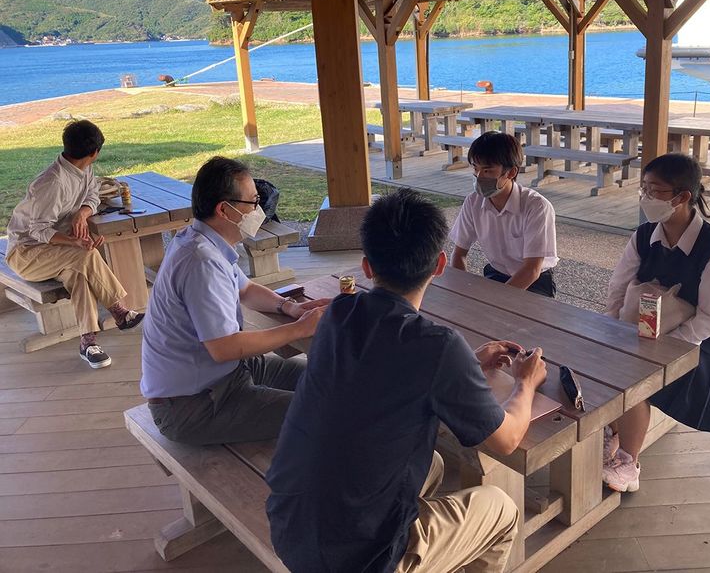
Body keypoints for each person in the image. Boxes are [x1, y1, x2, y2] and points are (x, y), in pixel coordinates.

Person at [267, 189, 548, 573]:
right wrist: (525, 383)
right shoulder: (437, 347)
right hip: (360, 559)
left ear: (366, 266)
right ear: (440, 264)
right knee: (501, 508)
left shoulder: (339, 314)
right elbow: (507, 438)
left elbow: (388, 368)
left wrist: (465, 363)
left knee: (430, 462)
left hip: (290, 526)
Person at [140, 156, 329, 445]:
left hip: (225, 376)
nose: (259, 210)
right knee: (327, 413)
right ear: (225, 210)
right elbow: (223, 347)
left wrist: (289, 307)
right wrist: (300, 329)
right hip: (192, 405)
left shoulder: (204, 242)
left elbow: (245, 289)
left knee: (328, 381)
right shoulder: (200, 261)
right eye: (253, 203)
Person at [602, 153, 710, 493]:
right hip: (643, 328)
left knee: (632, 379)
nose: (645, 197)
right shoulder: (644, 235)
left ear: (681, 197)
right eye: (644, 188)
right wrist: (610, 330)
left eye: (654, 191)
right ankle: (613, 428)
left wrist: (662, 351)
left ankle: (628, 461)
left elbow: (709, 320)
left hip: (697, 345)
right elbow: (617, 287)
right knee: (596, 360)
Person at [5, 120, 143, 369]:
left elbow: (92, 194)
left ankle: (88, 342)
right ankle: (119, 310)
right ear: (94, 152)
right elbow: (37, 230)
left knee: (80, 272)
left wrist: (82, 214)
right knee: (86, 257)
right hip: (26, 252)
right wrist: (73, 241)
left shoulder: (83, 168)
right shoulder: (53, 182)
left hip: (58, 252)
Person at [449, 131, 559, 297]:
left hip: (535, 281)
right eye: (475, 169)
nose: (479, 177)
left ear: (511, 172)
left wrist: (497, 302)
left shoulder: (537, 207)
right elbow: (459, 254)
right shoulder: (473, 202)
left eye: (487, 171)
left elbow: (532, 269)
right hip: (497, 273)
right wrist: (464, 291)